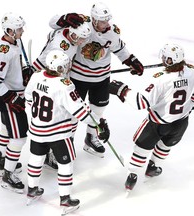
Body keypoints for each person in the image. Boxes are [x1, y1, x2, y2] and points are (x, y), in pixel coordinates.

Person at [48, 2, 144, 158]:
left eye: (107, 20)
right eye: (101, 21)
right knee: (73, 112)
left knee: (98, 110)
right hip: (78, 77)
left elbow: (119, 49)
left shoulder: (112, 31)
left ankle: (91, 137)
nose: (105, 24)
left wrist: (131, 61)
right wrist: (65, 18)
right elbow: (53, 23)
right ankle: (68, 140)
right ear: (93, 19)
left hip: (101, 77)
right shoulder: (82, 24)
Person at [109, 43, 194, 192]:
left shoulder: (161, 79)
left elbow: (141, 102)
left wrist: (122, 90)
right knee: (165, 146)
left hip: (158, 123)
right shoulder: (192, 72)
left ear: (170, 60)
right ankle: (153, 167)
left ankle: (132, 175)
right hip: (181, 122)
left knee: (142, 149)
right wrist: (187, 106)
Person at [25, 50, 110, 214]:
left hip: (36, 130)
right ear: (60, 67)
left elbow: (28, 97)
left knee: (36, 158)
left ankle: (32, 189)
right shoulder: (64, 85)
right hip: (58, 134)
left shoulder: (36, 76)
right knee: (66, 164)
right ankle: (65, 200)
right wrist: (99, 124)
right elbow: (81, 113)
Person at [32, 21, 92, 169]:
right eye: (81, 38)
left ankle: (57, 150)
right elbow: (45, 59)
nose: (83, 42)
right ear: (72, 34)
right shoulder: (60, 46)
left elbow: (53, 23)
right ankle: (52, 154)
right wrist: (33, 71)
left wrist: (64, 17)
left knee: (68, 118)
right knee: (59, 119)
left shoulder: (67, 35)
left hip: (61, 80)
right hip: (55, 84)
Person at [0, 12, 31, 193]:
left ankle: (2, 160)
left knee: (6, 128)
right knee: (19, 136)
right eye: (18, 29)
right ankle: (8, 175)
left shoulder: (15, 41)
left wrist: (24, 72)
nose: (22, 31)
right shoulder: (2, 51)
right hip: (8, 97)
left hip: (13, 93)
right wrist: (11, 98)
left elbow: (14, 67)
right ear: (9, 30)